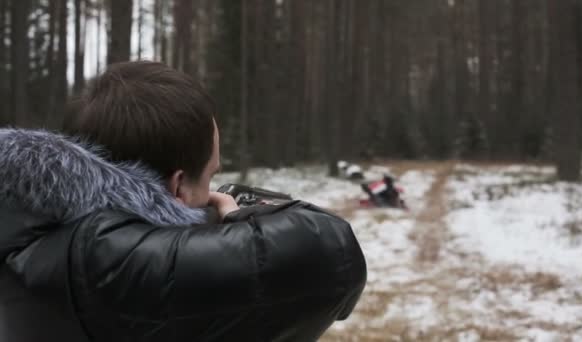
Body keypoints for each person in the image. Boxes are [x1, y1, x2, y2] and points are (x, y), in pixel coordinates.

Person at [0, 61, 367, 342]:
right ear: (177, 188)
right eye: (209, 177)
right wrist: (241, 217)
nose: (212, 192)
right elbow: (332, 255)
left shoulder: (33, 232)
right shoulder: (101, 263)